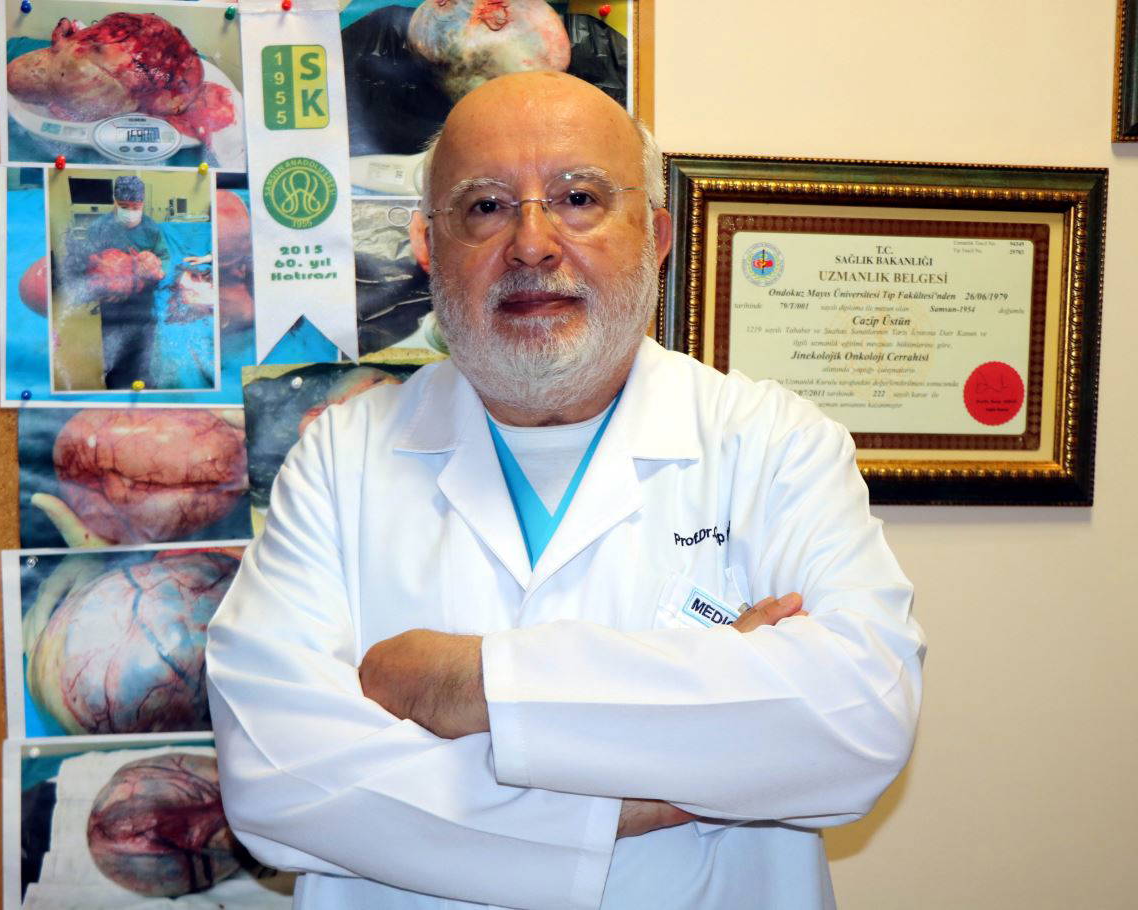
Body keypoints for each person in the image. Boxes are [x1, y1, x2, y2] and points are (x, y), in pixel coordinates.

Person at [206, 72, 925, 910]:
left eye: (579, 198)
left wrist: (468, 683)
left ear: (655, 234)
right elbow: (278, 777)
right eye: (485, 207)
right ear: (428, 246)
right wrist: (641, 793)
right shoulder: (340, 457)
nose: (532, 245)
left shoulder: (773, 443)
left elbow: (857, 720)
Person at [61, 175, 169, 389]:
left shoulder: (151, 229)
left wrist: (155, 270)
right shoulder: (99, 227)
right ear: (115, 202)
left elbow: (164, 256)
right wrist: (100, 281)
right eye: (124, 206)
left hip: (143, 298)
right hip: (112, 301)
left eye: (136, 207)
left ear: (142, 203)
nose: (130, 212)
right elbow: (88, 264)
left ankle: (143, 379)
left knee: (142, 341)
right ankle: (114, 381)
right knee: (113, 340)